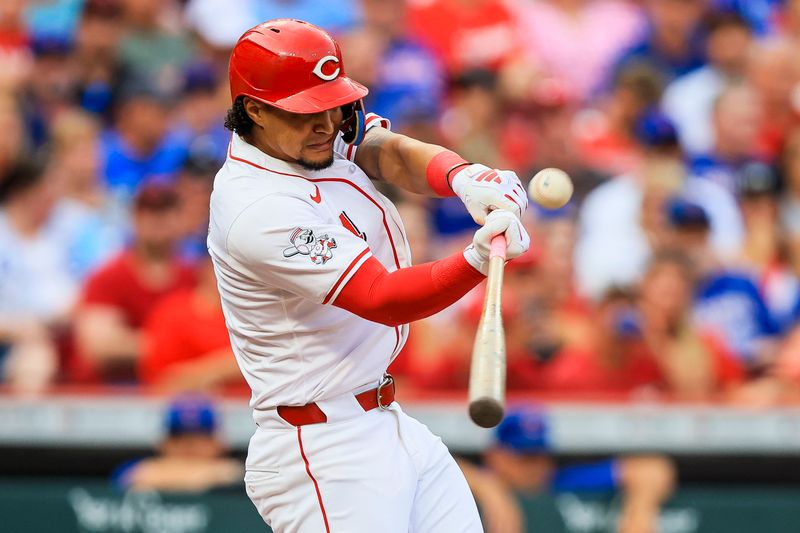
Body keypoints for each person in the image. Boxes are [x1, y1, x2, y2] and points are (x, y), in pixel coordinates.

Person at [208, 19, 530, 532]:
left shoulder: (305, 136)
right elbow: (381, 297)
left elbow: (386, 151)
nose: (327, 122)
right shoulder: (256, 206)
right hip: (321, 447)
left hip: (383, 418)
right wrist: (475, 260)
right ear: (254, 110)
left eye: (332, 104)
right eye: (307, 110)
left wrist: (463, 176)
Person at [462, 408, 676, 533]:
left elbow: (653, 468)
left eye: (540, 454)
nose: (536, 466)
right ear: (495, 456)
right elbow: (436, 461)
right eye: (525, 457)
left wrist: (640, 509)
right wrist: (488, 488)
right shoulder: (474, 482)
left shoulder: (559, 481)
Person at [112, 395, 243, 492]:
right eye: (178, 437)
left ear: (219, 442)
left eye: (200, 436)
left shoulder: (239, 472)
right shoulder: (139, 469)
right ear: (163, 443)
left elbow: (234, 474)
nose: (188, 445)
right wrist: (201, 478)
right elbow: (131, 479)